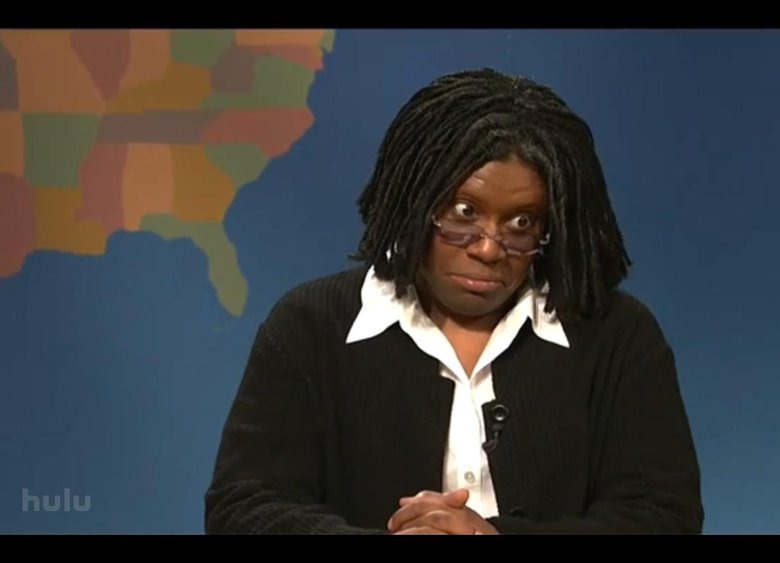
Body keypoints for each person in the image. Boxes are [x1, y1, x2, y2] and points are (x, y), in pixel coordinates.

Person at [204, 68, 704, 535]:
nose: (488, 248)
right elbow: (244, 507)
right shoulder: (311, 326)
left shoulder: (617, 335)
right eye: (464, 212)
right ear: (414, 203)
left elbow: (662, 514)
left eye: (522, 222)